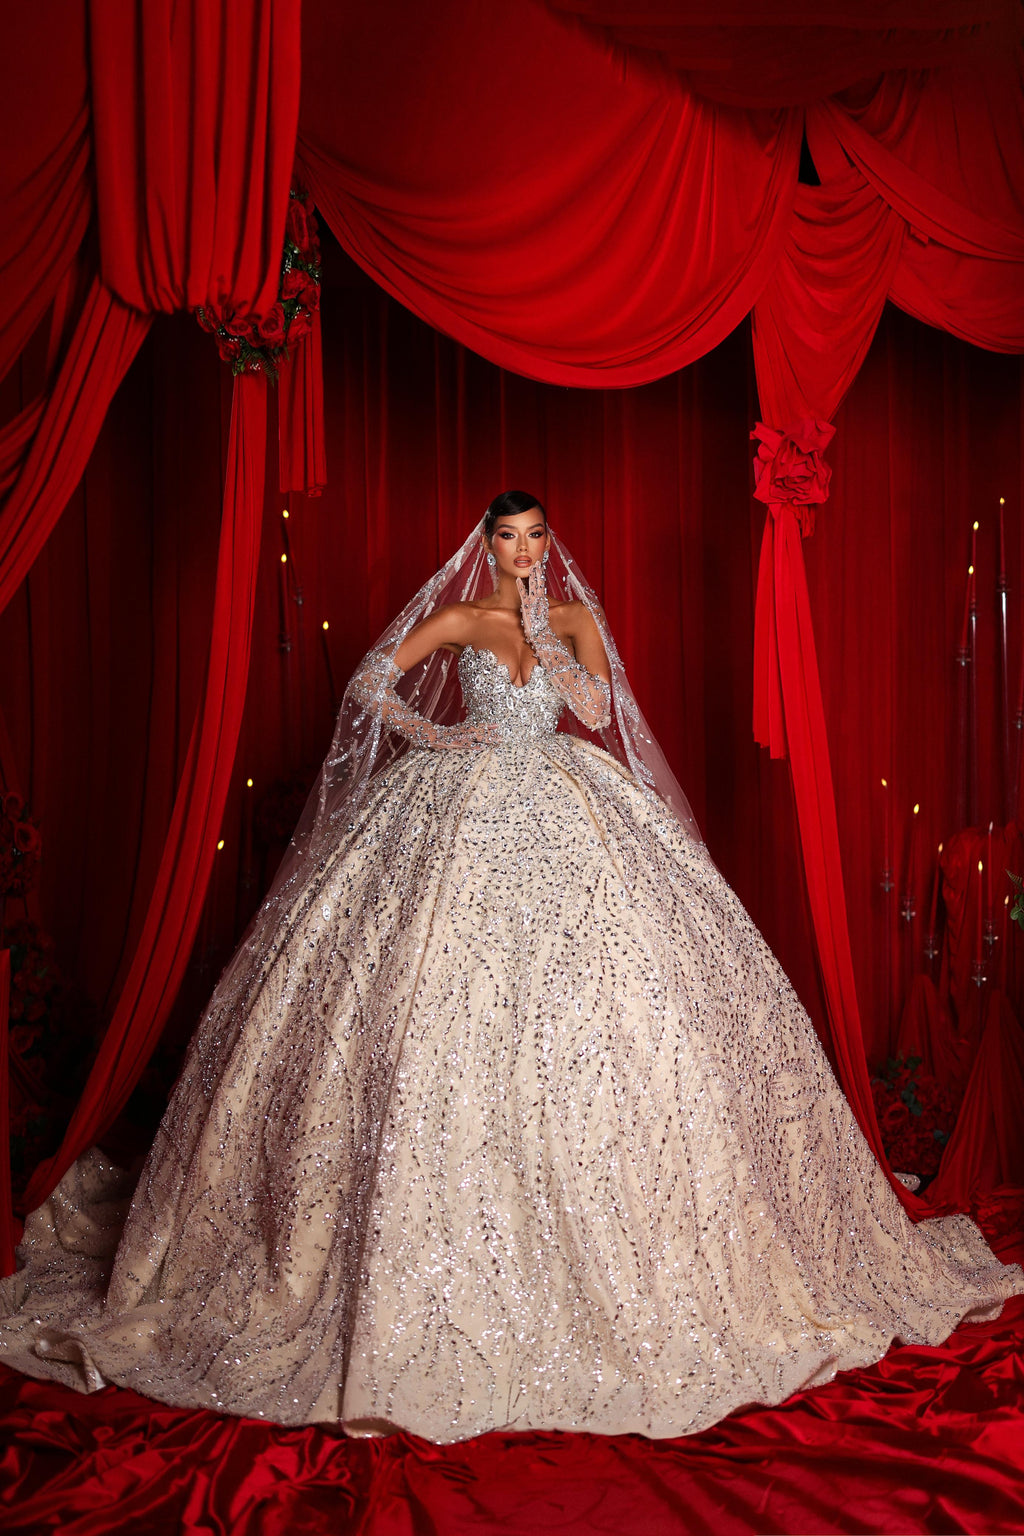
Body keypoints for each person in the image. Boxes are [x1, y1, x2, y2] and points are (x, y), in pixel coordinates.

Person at [1, 490, 1022, 1444]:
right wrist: (434, 734)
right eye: (508, 538)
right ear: (485, 547)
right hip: (459, 801)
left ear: (547, 547)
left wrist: (543, 634)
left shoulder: (574, 620)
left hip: (568, 802)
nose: (524, 552)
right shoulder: (453, 622)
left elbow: (591, 712)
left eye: (536, 537)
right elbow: (369, 680)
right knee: (427, 999)